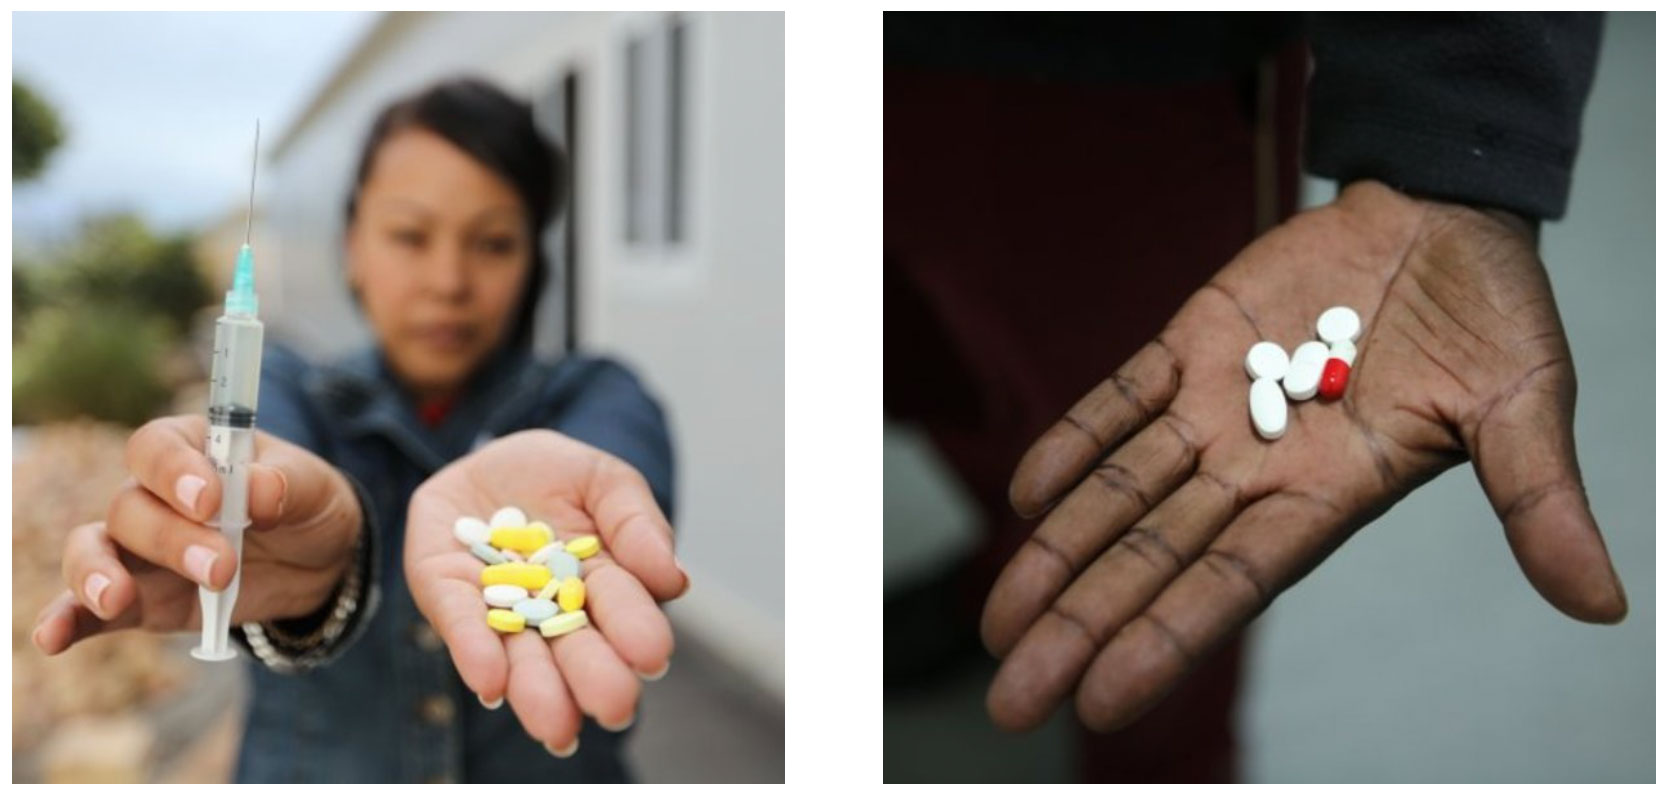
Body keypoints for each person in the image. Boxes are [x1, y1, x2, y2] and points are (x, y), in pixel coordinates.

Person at [885, 11, 1628, 781]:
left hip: (1134, 78)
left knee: (1155, 483)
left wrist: (1452, 138)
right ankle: (1000, 564)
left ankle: (1165, 768)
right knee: (961, 391)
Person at [30, 77, 689, 783]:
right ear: (353, 246)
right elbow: (269, 486)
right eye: (409, 235)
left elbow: (617, 471)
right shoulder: (284, 390)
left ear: (534, 261)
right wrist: (313, 551)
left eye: (493, 243)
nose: (448, 280)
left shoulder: (597, 395)